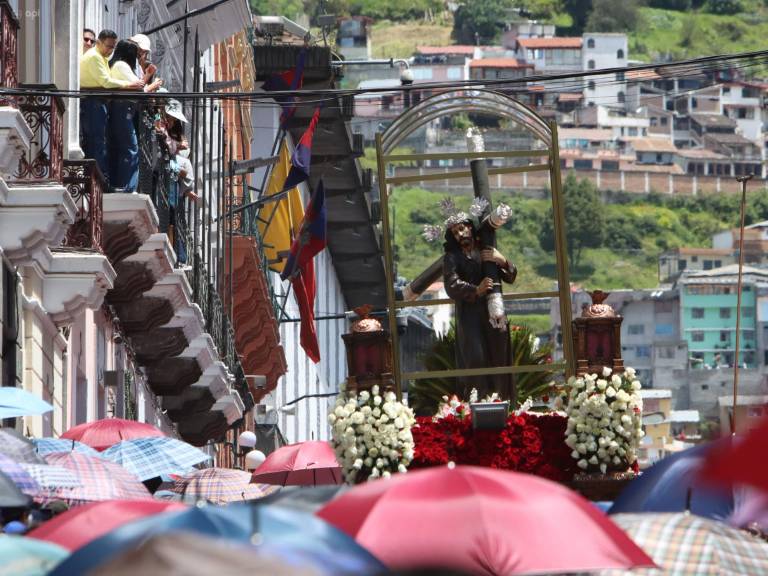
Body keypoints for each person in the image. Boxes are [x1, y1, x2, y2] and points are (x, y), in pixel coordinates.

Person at [443, 217, 517, 401]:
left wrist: (502, 260)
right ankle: (476, 403)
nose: (460, 234)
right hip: (469, 317)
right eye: (455, 233)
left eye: (462, 229)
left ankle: (502, 400)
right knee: (475, 357)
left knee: (499, 356)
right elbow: (451, 285)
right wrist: (476, 289)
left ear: (471, 228)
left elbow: (511, 277)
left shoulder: (486, 253)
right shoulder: (452, 257)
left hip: (493, 313)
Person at [80, 29, 144, 184]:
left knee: (99, 141)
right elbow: (107, 82)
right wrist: (129, 85)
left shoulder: (101, 57)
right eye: (108, 46)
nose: (110, 50)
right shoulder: (95, 57)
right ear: (99, 42)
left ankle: (100, 177)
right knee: (96, 141)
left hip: (97, 103)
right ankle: (99, 178)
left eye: (113, 47)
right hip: (93, 103)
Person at [107, 40, 162, 192]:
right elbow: (139, 89)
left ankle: (123, 185)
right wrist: (149, 76)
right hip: (122, 110)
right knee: (131, 149)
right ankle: (128, 188)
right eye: (136, 54)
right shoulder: (121, 65)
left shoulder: (118, 65)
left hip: (123, 110)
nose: (138, 58)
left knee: (125, 149)